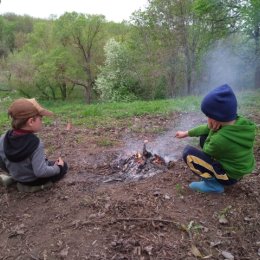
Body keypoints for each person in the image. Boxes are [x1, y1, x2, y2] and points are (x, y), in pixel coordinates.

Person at [175, 84, 256, 193]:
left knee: (188, 153)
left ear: (217, 118)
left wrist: (212, 130)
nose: (207, 119)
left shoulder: (220, 140)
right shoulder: (238, 122)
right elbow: (206, 128)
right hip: (236, 171)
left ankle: (213, 184)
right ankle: (215, 175)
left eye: (208, 116)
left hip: (228, 177)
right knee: (204, 134)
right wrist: (186, 133)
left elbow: (207, 150)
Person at [0, 98, 68, 191]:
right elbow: (41, 172)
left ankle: (13, 179)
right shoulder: (36, 143)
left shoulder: (4, 138)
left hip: (16, 176)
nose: (42, 121)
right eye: (40, 118)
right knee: (63, 166)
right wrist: (58, 167)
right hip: (33, 180)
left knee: (48, 164)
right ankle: (37, 187)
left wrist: (13, 172)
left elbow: (2, 162)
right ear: (31, 121)